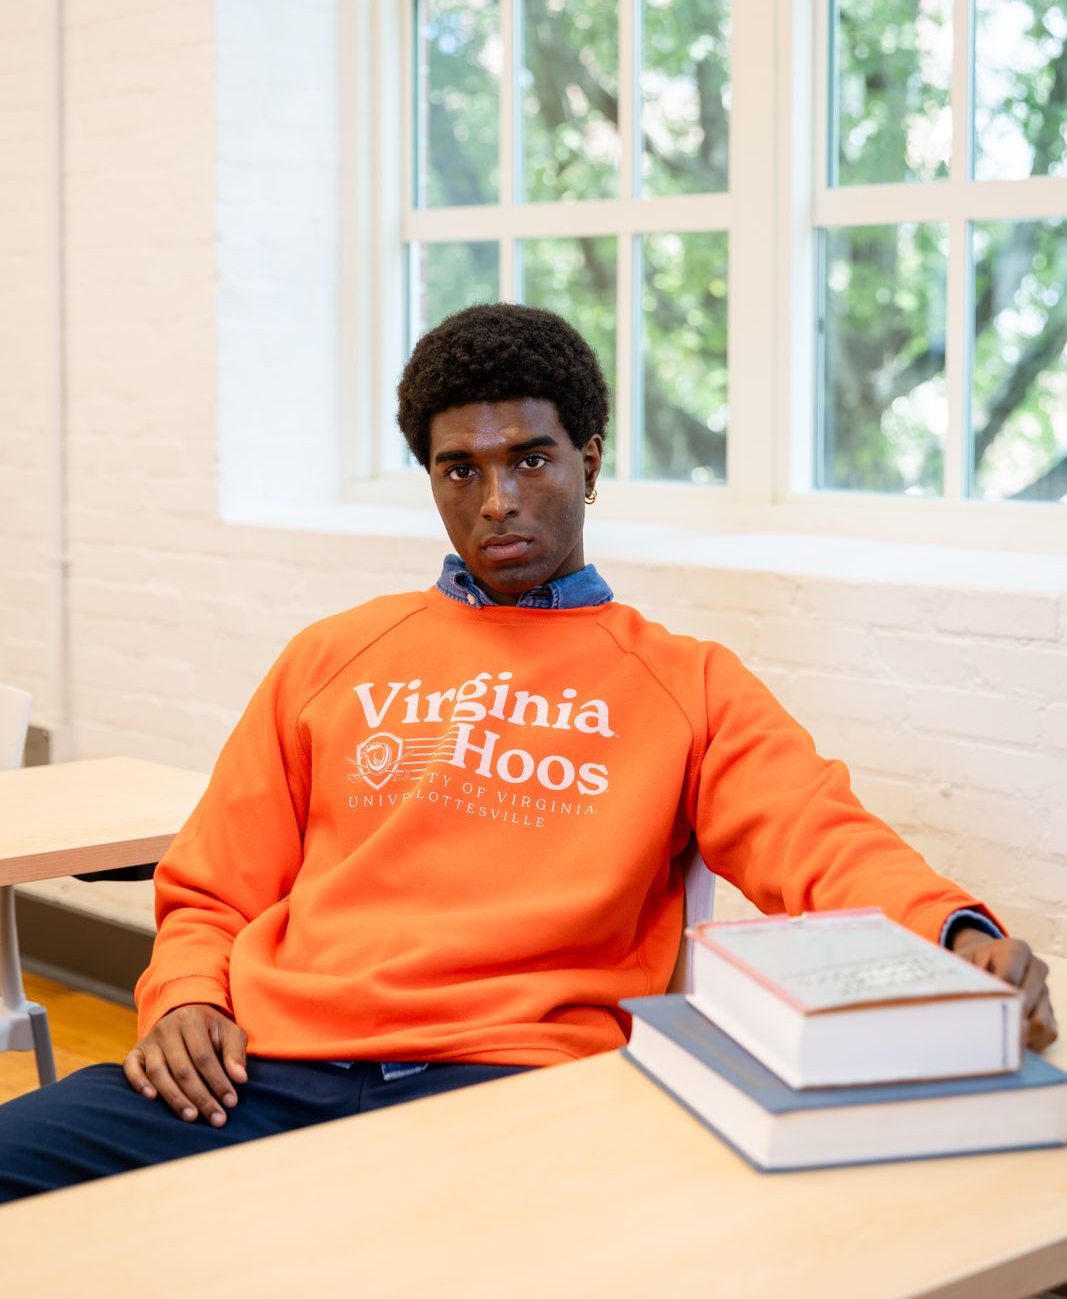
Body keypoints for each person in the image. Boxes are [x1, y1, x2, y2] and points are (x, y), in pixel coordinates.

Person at [0, 303, 1055, 1201]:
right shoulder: (332, 655)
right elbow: (211, 888)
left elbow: (820, 843)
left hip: (518, 1078)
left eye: (528, 459)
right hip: (267, 1066)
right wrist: (186, 994)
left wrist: (952, 937)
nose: (496, 500)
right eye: (458, 468)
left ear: (588, 461)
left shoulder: (682, 681)